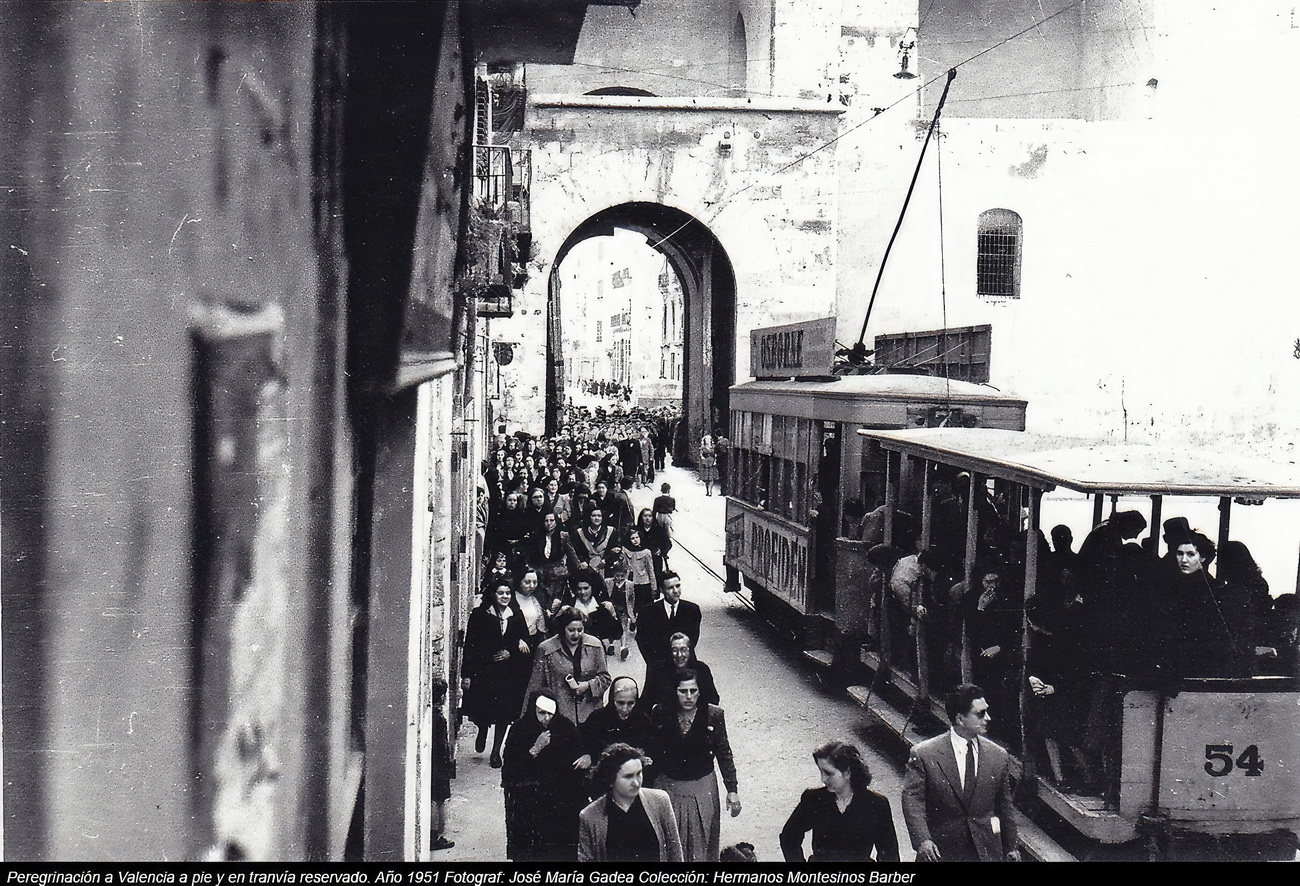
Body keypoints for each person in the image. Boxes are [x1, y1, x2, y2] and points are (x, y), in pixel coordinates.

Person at [901, 684, 1020, 862]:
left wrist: (1012, 847)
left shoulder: (999, 755)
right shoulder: (924, 754)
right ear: (960, 719)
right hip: (942, 852)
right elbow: (912, 800)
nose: (988, 718)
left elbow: (1005, 806)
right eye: (980, 713)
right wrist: (923, 840)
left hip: (985, 852)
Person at [650, 669, 740, 861]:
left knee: (701, 846)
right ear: (675, 691)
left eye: (693, 691)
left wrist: (732, 790)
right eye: (683, 691)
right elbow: (654, 751)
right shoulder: (660, 713)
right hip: (669, 789)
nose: (688, 696)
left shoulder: (713, 715)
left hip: (702, 789)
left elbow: (724, 753)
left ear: (700, 692)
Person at [780, 741, 900, 862]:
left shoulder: (876, 803)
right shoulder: (814, 799)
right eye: (821, 772)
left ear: (848, 772)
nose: (823, 779)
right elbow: (789, 837)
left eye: (828, 773)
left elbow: (889, 853)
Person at [502, 690, 586, 861]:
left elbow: (579, 754)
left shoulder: (566, 728)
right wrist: (535, 749)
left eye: (550, 713)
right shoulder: (519, 729)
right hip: (529, 802)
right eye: (541, 713)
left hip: (559, 802)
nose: (546, 718)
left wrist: (586, 757)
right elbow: (510, 769)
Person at [460, 580, 532, 768]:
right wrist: (466, 674)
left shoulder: (515, 614)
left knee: (504, 712)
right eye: (501, 593)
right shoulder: (480, 614)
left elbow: (525, 640)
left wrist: (513, 650)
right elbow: (470, 645)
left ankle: (495, 752)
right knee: (483, 709)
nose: (505, 596)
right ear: (493, 594)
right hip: (484, 670)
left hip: (508, 672)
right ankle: (482, 729)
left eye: (508, 593)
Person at [578, 744, 684, 862]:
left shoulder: (660, 800)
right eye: (628, 777)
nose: (636, 783)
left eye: (639, 773)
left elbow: (675, 852)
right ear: (610, 779)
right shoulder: (590, 816)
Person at [525, 606, 613, 726]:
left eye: (580, 630)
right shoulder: (546, 649)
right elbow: (535, 686)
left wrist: (587, 685)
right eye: (571, 630)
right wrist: (527, 720)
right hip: (559, 716)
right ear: (562, 629)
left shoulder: (595, 645)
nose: (576, 634)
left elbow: (605, 678)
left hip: (590, 714)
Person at [577, 676, 657, 775]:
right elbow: (586, 743)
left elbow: (652, 752)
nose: (625, 709)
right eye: (620, 703)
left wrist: (644, 760)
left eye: (631, 703)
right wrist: (587, 755)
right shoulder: (598, 718)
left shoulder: (643, 722)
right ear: (612, 699)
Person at [635, 571, 702, 672]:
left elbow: (692, 639)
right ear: (662, 590)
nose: (676, 591)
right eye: (670, 588)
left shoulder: (692, 610)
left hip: (685, 666)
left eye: (678, 586)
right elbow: (642, 640)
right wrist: (653, 664)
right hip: (658, 668)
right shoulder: (648, 612)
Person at [643, 632, 720, 711]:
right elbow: (647, 701)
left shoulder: (701, 669)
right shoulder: (658, 670)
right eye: (674, 650)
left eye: (683, 649)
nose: (679, 655)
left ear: (690, 651)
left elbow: (712, 700)